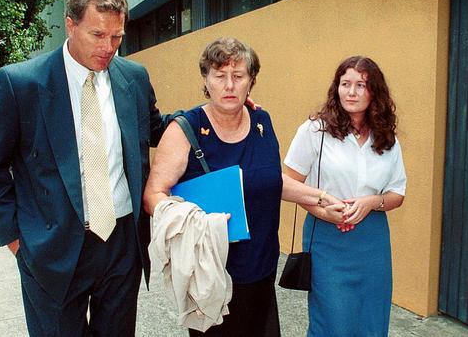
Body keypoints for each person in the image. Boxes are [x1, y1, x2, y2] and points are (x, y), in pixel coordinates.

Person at [0, 0, 170, 336]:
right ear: (70, 24)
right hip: (51, 247)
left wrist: (216, 112)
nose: (108, 47)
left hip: (122, 243)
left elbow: (157, 129)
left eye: (117, 37)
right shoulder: (21, 84)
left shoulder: (133, 78)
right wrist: (19, 244)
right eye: (97, 35)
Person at [143, 37, 343, 336]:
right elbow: (152, 196)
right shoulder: (184, 129)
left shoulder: (262, 121)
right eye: (219, 76)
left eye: (238, 77)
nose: (229, 85)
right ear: (205, 79)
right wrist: (193, 220)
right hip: (211, 274)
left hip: (261, 267)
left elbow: (268, 180)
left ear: (251, 82)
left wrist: (321, 197)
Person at [284, 56, 407, 336]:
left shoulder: (387, 138)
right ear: (336, 88)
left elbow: (397, 193)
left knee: (372, 321)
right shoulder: (315, 131)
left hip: (372, 240)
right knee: (333, 321)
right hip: (327, 237)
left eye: (361, 85)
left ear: (374, 91)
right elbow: (287, 184)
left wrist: (370, 203)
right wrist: (324, 207)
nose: (351, 92)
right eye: (345, 84)